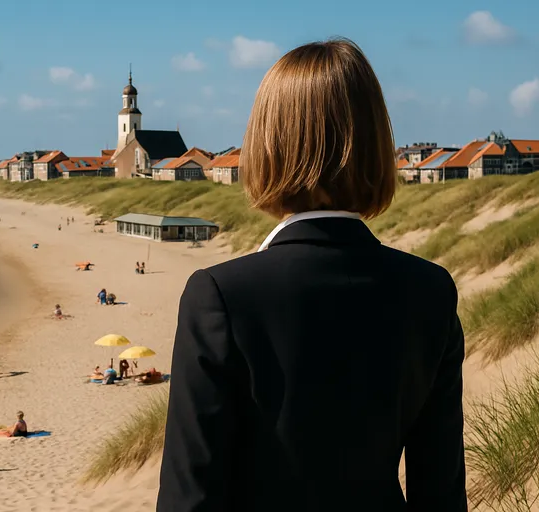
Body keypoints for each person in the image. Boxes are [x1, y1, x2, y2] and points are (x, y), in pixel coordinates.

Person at [157, 39, 466, 511]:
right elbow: (441, 494)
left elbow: (189, 498)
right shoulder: (429, 291)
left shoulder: (220, 296)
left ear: (266, 146)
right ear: (375, 146)